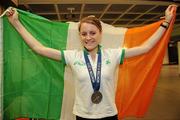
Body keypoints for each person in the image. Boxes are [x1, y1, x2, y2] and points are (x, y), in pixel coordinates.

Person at [6, 4, 177, 120]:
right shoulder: (73, 56)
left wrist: (167, 22)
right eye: (84, 34)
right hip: (82, 115)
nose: (88, 37)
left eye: (92, 33)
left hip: (109, 114)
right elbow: (39, 48)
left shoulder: (114, 54)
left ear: (100, 33)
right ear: (79, 36)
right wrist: (16, 23)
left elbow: (146, 47)